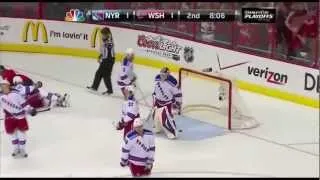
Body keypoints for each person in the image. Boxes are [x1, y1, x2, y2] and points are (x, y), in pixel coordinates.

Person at [0, 79, 37, 158]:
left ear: (8, 86)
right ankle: (16, 148)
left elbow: (24, 104)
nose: (3, 88)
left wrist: (31, 109)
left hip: (20, 117)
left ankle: (22, 149)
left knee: (21, 134)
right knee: (12, 134)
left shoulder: (16, 94)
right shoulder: (0, 96)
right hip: (9, 118)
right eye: (1, 86)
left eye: (4, 86)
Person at [152, 67, 182, 139]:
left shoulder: (172, 82)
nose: (162, 76)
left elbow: (178, 93)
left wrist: (178, 103)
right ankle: (158, 128)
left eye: (164, 74)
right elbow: (156, 89)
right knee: (156, 117)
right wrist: (154, 97)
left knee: (166, 118)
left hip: (167, 103)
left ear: (168, 74)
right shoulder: (157, 78)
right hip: (157, 101)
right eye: (161, 74)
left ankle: (172, 132)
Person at [87, 27, 115, 95]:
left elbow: (108, 51)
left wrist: (104, 60)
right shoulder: (105, 39)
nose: (102, 36)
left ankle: (109, 90)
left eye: (103, 34)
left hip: (108, 60)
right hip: (107, 60)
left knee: (105, 75)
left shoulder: (109, 41)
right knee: (99, 73)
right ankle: (95, 87)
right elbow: (104, 51)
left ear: (106, 34)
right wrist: (100, 56)